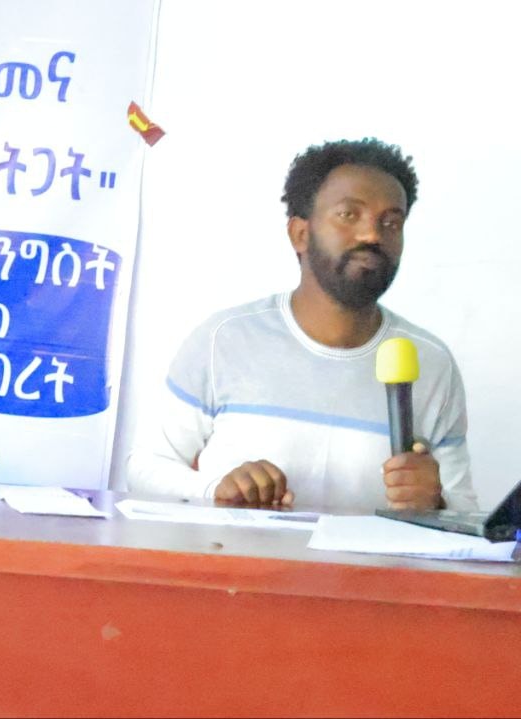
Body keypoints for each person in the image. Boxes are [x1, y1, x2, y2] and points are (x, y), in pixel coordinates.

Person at [127, 138, 476, 511]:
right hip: (237, 551)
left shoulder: (431, 362)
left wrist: (436, 502)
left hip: (374, 555)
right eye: (349, 215)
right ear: (300, 234)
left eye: (391, 222)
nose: (373, 235)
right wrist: (216, 489)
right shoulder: (224, 340)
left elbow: (466, 509)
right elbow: (145, 468)